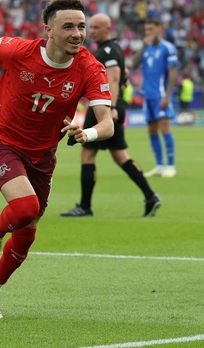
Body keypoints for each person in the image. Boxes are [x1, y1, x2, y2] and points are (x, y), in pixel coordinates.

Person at [0, 0, 114, 318]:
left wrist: (86, 133)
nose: (77, 34)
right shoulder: (19, 51)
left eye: (81, 27)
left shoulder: (90, 67)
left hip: (42, 152)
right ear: (48, 30)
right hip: (0, 138)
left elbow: (107, 124)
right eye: (68, 27)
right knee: (25, 207)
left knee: (28, 229)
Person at [60, 13, 162, 218]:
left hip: (104, 107)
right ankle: (151, 196)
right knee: (120, 156)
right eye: (91, 27)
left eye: (96, 27)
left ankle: (85, 206)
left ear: (108, 29)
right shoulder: (113, 48)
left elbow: (113, 79)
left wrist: (112, 107)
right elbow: (122, 76)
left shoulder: (107, 51)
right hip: (111, 106)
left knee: (87, 154)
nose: (92, 31)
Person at [131, 18, 179, 178]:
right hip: (148, 96)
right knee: (152, 130)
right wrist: (143, 46)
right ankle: (159, 165)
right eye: (146, 30)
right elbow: (133, 64)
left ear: (159, 29)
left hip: (161, 95)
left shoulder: (167, 48)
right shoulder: (146, 48)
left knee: (165, 128)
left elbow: (173, 72)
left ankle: (170, 165)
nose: (148, 33)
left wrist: (167, 96)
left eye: (151, 29)